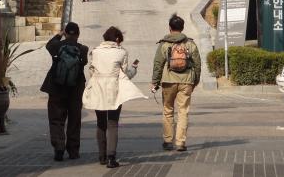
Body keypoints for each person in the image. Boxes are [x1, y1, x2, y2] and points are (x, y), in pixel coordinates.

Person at [83, 26, 146, 168]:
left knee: (100, 123)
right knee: (112, 123)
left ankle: (102, 156)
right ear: (117, 39)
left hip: (98, 89)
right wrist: (134, 69)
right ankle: (112, 157)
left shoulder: (95, 52)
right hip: (114, 90)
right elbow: (124, 75)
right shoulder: (122, 52)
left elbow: (91, 72)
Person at [151, 13, 201, 152]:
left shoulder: (164, 44)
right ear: (183, 27)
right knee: (183, 111)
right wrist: (195, 80)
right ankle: (180, 142)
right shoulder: (190, 43)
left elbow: (158, 64)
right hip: (186, 81)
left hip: (168, 81)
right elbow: (197, 63)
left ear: (169, 28)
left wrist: (155, 81)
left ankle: (167, 141)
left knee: (168, 110)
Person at [40, 22, 89, 161]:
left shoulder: (56, 46)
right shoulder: (83, 49)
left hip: (56, 88)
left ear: (66, 33)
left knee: (56, 119)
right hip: (75, 89)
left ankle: (59, 147)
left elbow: (48, 45)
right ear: (78, 34)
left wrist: (59, 34)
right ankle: (73, 151)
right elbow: (84, 63)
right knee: (74, 120)